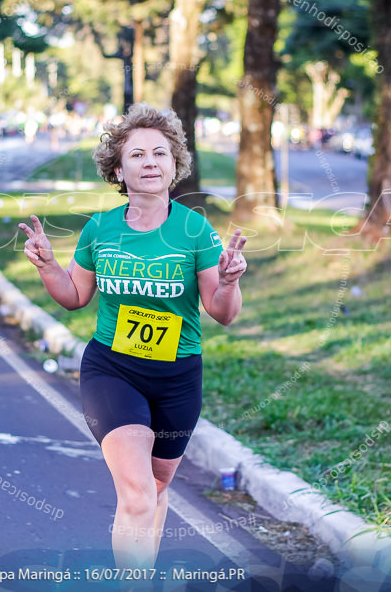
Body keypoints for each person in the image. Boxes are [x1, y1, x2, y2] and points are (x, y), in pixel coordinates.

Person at [18, 103, 247, 572]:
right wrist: (47, 267)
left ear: (174, 164)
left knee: (157, 488)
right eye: (137, 154)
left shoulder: (194, 229)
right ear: (118, 168)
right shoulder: (101, 228)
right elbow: (75, 296)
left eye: (160, 154)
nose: (149, 162)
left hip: (179, 377)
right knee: (138, 493)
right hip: (113, 370)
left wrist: (228, 281)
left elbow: (221, 314)